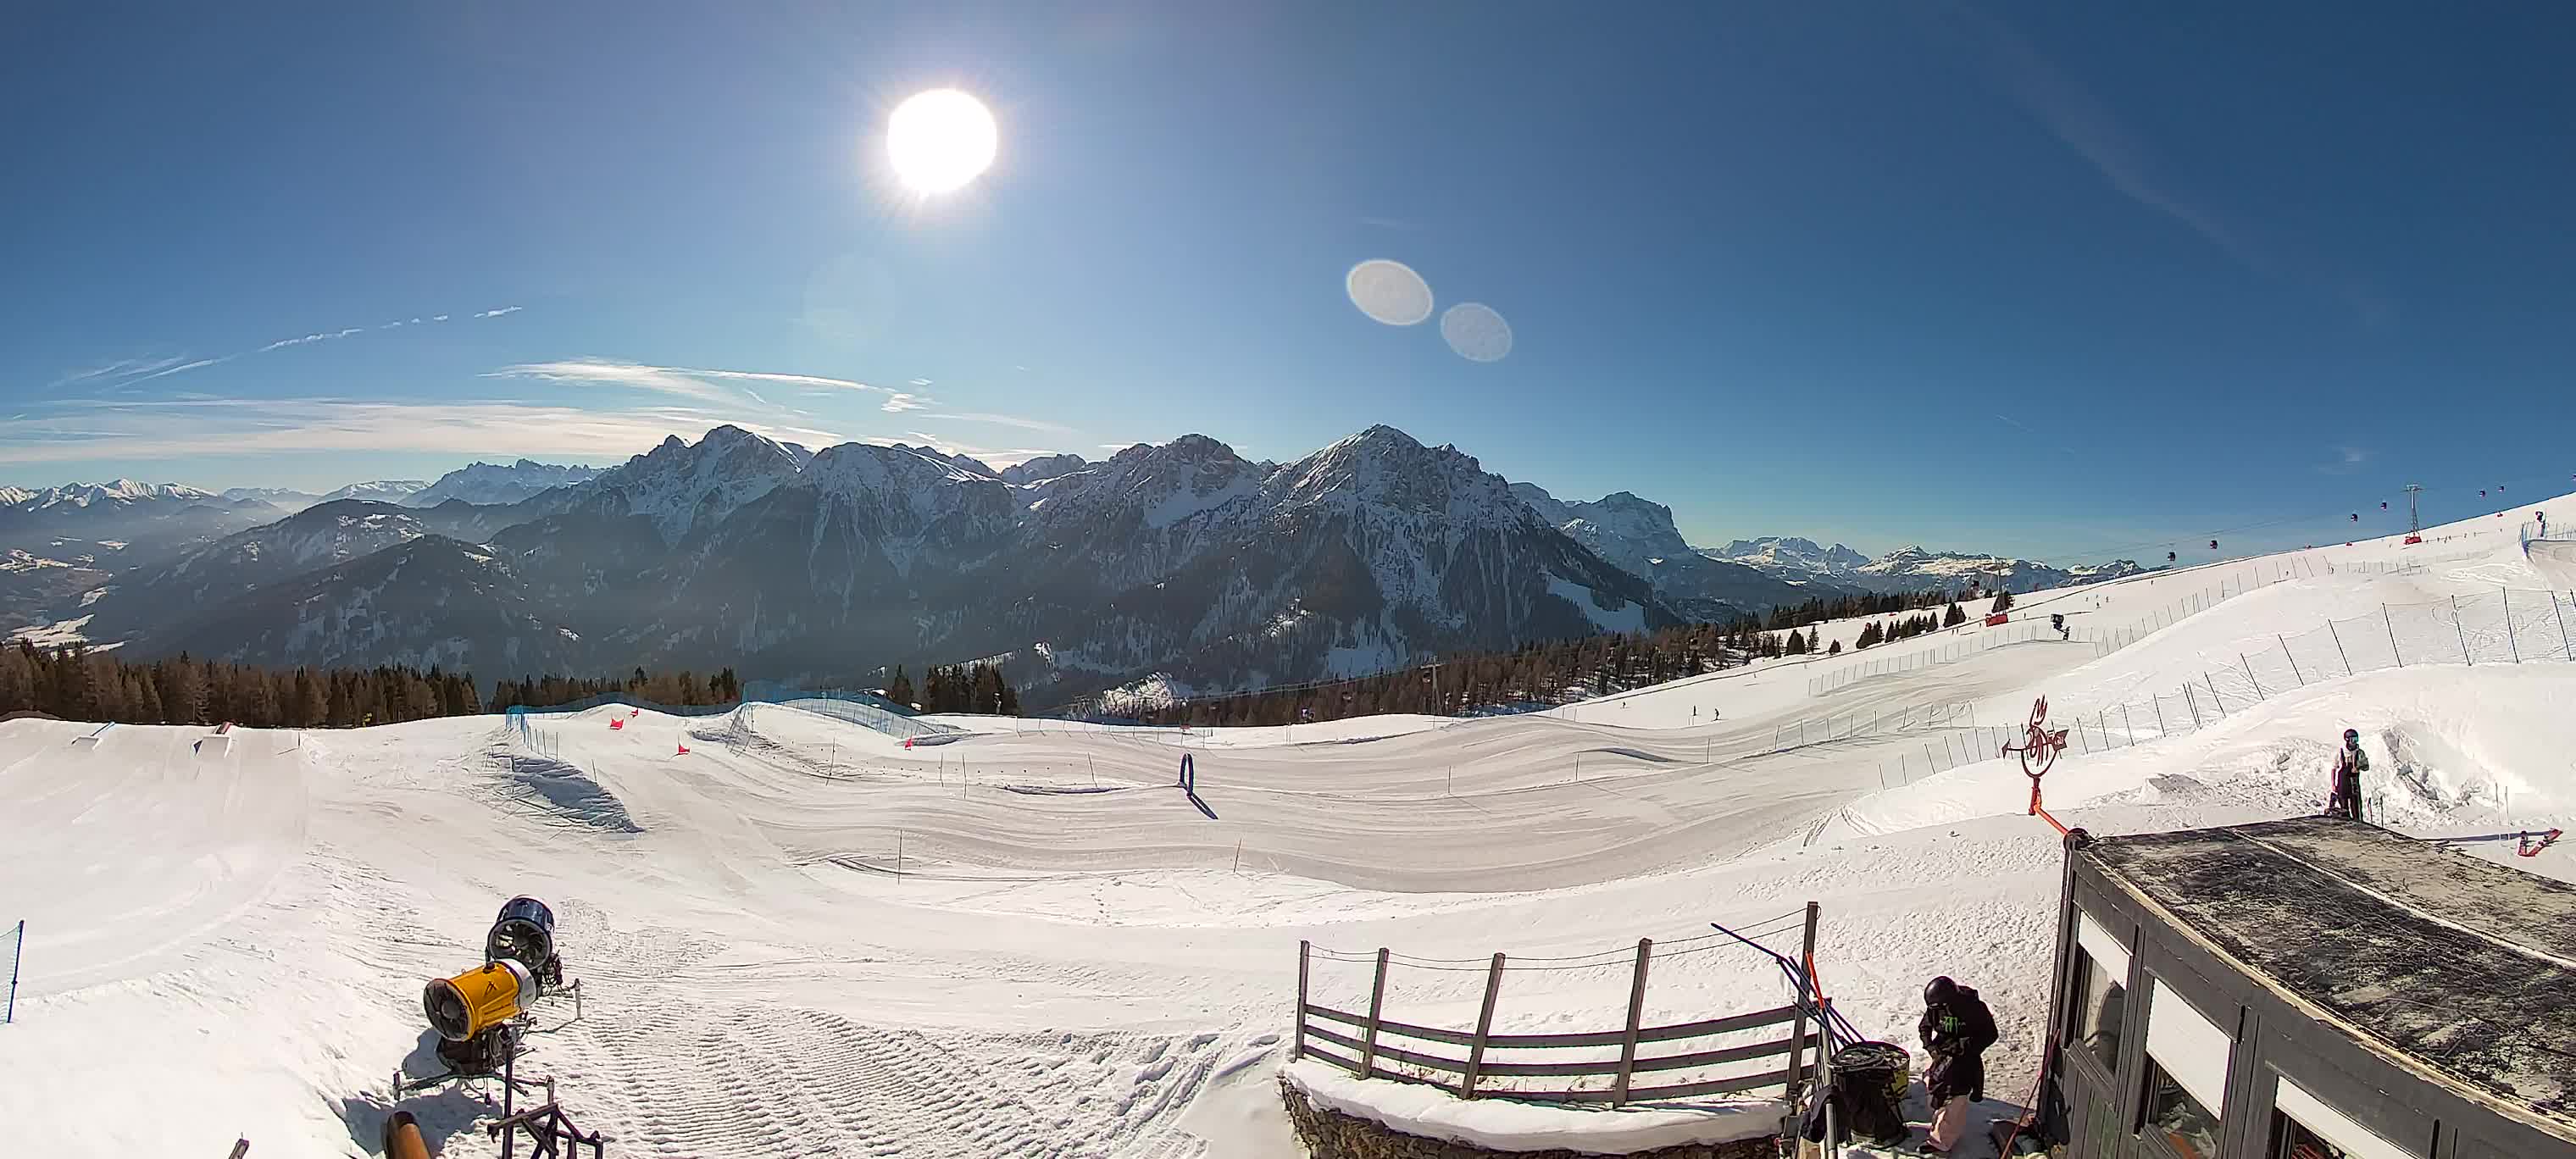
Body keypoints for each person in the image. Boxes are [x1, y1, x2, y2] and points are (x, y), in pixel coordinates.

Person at [1918, 975, 1998, 1155]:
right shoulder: (1935, 1007)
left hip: (1965, 1060)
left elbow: (1991, 1034)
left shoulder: (1974, 1009)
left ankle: (1941, 1142)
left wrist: (1965, 1048)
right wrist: (1930, 1047)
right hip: (1942, 1055)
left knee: (1956, 1098)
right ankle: (1938, 1122)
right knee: (1936, 1088)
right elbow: (1924, 1027)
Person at [2328, 729, 2368, 821]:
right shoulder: (2341, 752)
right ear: (2347, 740)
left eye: (2356, 739)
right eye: (2353, 739)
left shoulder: (2360, 752)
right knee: (2344, 808)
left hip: (2354, 783)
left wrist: (2358, 767)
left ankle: (2358, 825)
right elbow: (2334, 768)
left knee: (2356, 807)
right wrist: (2333, 784)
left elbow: (2366, 766)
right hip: (2343, 782)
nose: (2355, 742)